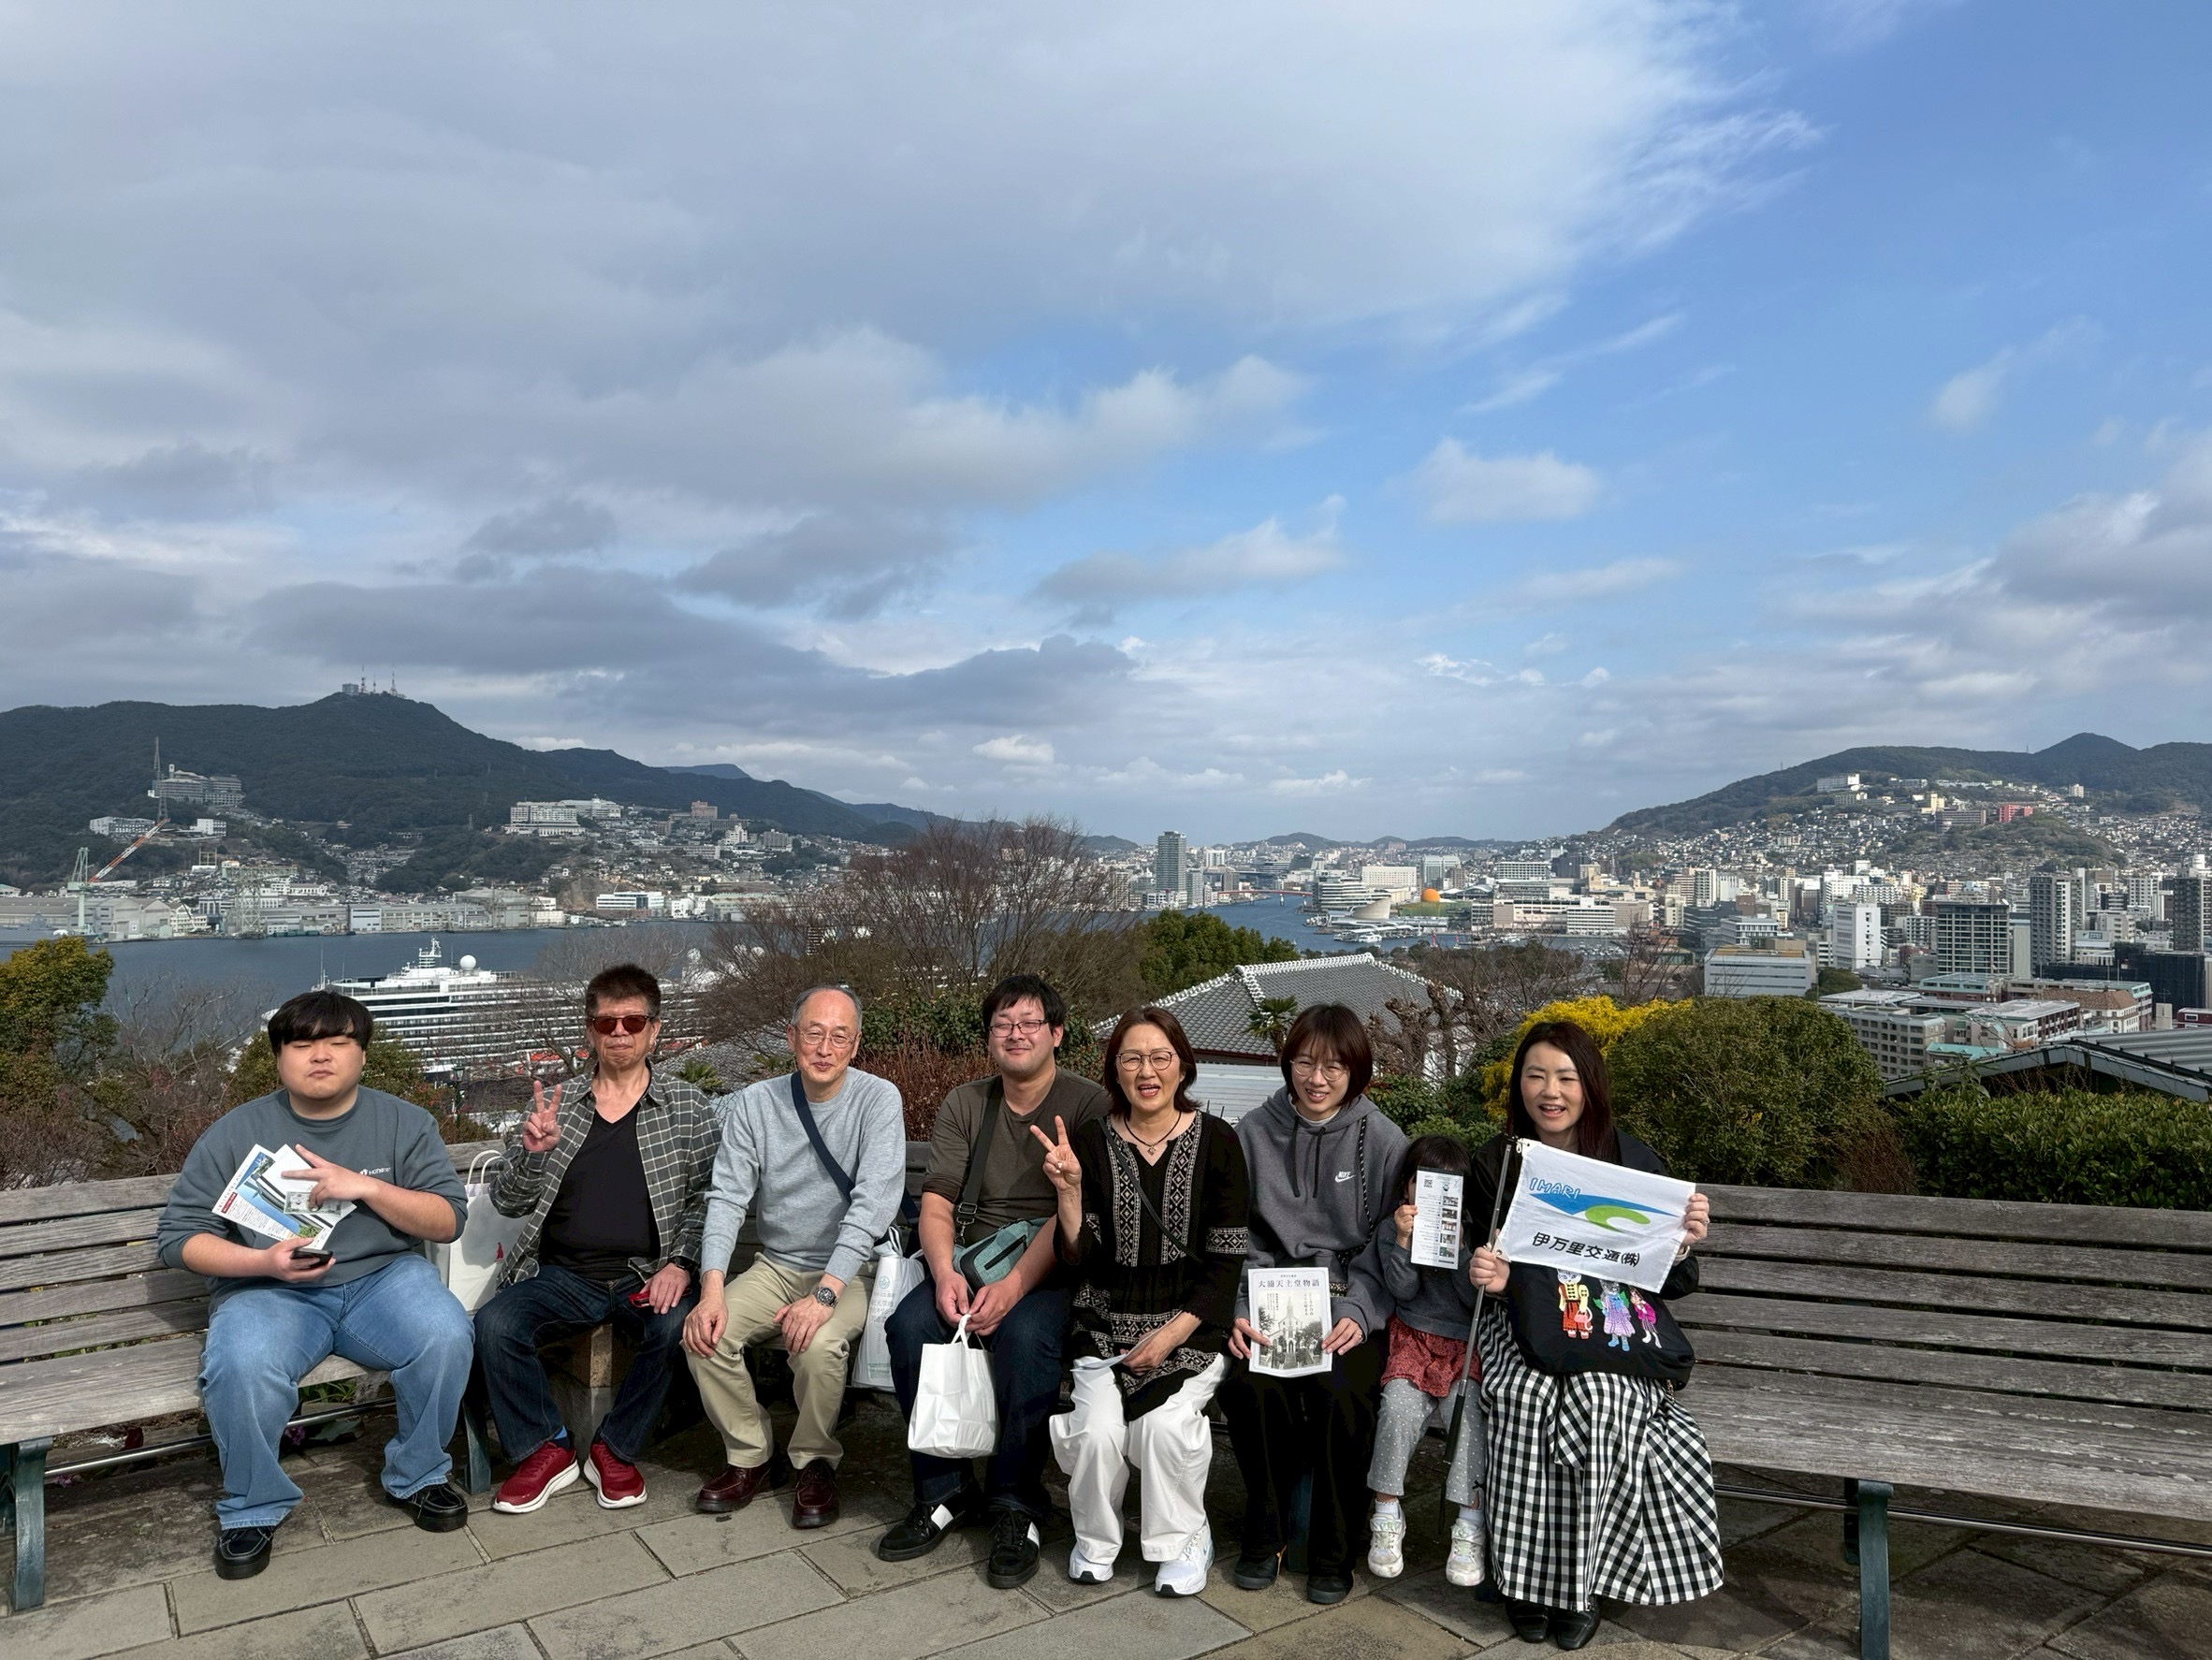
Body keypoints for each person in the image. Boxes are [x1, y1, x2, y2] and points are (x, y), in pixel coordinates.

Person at [153, 990, 473, 1580]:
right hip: (269, 1290)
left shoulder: (404, 1121)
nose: (319, 1056)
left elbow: (448, 1219)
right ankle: (251, 1505)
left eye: (337, 1042)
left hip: (384, 1279)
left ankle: (419, 1474)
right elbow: (178, 1238)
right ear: (279, 1058)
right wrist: (263, 1265)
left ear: (363, 1055)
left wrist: (369, 1187)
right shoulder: (235, 1131)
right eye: (301, 1044)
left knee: (446, 1334)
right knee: (241, 1363)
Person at [1468, 1019, 1721, 1651]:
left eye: (1565, 1077)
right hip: (1525, 1325)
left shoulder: (1631, 1159)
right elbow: (1471, 1267)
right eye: (1534, 1076)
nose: (1549, 1092)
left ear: (1590, 1086)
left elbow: (1677, 1280)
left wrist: (1682, 1239)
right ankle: (1523, 1582)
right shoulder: (1496, 1162)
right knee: (1522, 1403)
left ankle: (1577, 1588)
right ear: (1517, 1087)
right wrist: (1490, 1276)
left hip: (1611, 1328)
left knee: (1600, 1405)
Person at [876, 973, 1112, 1588]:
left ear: (1057, 1034)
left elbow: (1080, 1219)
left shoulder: (1087, 1104)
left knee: (1026, 1338)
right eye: (1003, 1024)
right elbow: (936, 1203)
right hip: (974, 1260)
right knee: (908, 1326)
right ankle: (943, 1491)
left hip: (1056, 1267)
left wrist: (1013, 1289)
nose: (1015, 1033)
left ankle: (1017, 1502)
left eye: (1030, 1022)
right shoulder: (967, 1103)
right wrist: (944, 1272)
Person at [473, 964, 720, 1514]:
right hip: (563, 1273)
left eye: (633, 1021)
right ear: (589, 1031)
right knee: (496, 1324)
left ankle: (616, 1447)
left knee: (675, 1326)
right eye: (606, 1023)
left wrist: (680, 1262)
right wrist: (533, 1156)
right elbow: (508, 1202)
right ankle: (546, 1448)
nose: (620, 1033)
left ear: (654, 1030)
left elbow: (709, 1199)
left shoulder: (688, 1107)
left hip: (647, 1272)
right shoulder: (554, 1105)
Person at [1041, 1007, 1249, 1596]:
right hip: (1105, 1320)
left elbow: (1225, 1260)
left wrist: (1171, 1335)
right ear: (1115, 1070)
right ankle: (1097, 1539)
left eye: (1161, 1056)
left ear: (1184, 1065)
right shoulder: (1089, 1141)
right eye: (1132, 1057)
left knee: (1163, 1428)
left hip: (1189, 1326)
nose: (1147, 1069)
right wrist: (1071, 1193)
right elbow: (1082, 1256)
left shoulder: (1219, 1143)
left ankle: (1183, 1539)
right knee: (1100, 1430)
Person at [682, 985, 904, 1528]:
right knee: (705, 1334)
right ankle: (750, 1454)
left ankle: (813, 1460)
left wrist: (824, 1295)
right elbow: (728, 1197)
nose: (824, 1047)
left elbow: (872, 1205)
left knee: (819, 1343)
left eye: (839, 1036)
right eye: (813, 1033)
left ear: (855, 1045)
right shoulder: (756, 1104)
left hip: (853, 1269)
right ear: (792, 1038)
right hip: (777, 1264)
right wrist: (710, 1290)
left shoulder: (878, 1100)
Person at [1219, 1003, 1406, 1605]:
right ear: (1286, 1064)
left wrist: (1360, 1312)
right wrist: (1242, 1306)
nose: (1316, 1078)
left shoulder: (1381, 1139)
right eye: (1303, 1062)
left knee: (1343, 1391)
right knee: (1251, 1384)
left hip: (1347, 1301)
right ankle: (1266, 1526)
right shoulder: (1252, 1132)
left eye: (1333, 1066)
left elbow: (1387, 1245)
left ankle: (1334, 1544)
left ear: (1357, 1071)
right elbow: (1234, 1237)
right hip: (1270, 1296)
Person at [1362, 1133, 1485, 1587]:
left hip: (1464, 1346)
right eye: (1423, 1182)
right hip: (1412, 1337)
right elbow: (1402, 1290)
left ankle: (1470, 1527)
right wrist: (1402, 1240)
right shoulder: (1392, 1228)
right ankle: (1387, 1514)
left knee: (1469, 1416)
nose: (1433, 1193)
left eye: (1447, 1184)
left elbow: (1473, 1301)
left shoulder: (1473, 1233)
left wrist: (1457, 1253)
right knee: (1395, 1409)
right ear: (1407, 1186)